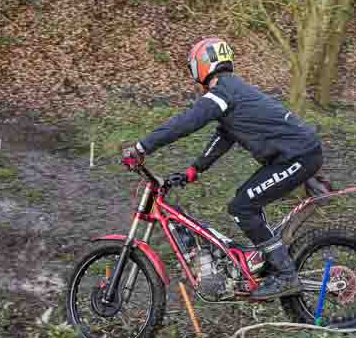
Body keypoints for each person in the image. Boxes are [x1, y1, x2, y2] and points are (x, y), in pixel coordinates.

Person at [121, 38, 324, 301]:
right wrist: (195, 170)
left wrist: (141, 147)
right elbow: (223, 137)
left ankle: (286, 276)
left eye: (194, 66)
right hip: (296, 154)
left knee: (242, 205)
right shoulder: (232, 91)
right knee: (245, 201)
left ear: (203, 65)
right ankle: (267, 259)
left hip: (298, 155)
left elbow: (186, 122)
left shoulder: (222, 93)